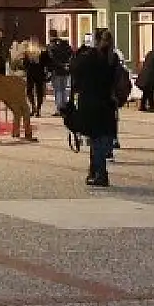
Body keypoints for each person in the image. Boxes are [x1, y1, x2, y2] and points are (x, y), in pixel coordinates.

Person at [71, 28, 119, 187]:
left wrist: (81, 52)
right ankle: (94, 171)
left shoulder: (89, 57)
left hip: (91, 103)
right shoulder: (113, 58)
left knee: (96, 140)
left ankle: (100, 174)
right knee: (100, 139)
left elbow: (75, 72)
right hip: (107, 104)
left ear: (95, 40)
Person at [46, 29, 73, 114]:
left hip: (56, 71)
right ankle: (64, 106)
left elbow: (52, 60)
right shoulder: (65, 44)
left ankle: (59, 109)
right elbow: (71, 54)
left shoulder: (51, 47)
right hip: (65, 71)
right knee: (64, 89)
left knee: (58, 90)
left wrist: (49, 70)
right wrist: (66, 65)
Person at [22, 42, 52, 117]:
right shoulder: (43, 51)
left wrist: (27, 68)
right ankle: (38, 109)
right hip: (40, 73)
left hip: (30, 73)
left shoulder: (28, 51)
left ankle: (33, 107)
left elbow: (24, 64)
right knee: (39, 91)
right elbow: (48, 62)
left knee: (29, 90)